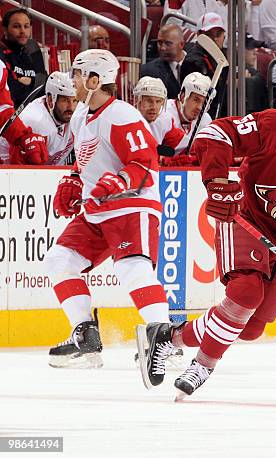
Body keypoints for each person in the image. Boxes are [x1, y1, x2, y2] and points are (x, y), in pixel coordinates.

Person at [136, 90, 276, 397]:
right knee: (245, 293)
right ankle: (203, 366)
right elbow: (214, 133)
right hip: (246, 219)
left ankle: (169, 338)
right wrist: (216, 181)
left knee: (252, 328)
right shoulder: (275, 128)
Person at [45, 49, 172, 369]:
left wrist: (116, 183)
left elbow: (145, 164)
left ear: (94, 80)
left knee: (131, 268)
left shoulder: (122, 115)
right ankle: (85, 335)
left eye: (76, 74)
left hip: (133, 205)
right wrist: (74, 180)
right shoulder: (80, 116)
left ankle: (164, 341)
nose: (71, 80)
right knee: (59, 260)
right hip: (98, 211)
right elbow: (86, 160)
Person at [0, 71, 76, 165]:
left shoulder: (75, 116)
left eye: (75, 100)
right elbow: (20, 170)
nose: (71, 107)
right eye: (65, 100)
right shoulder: (36, 121)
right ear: (50, 99)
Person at [180, 12, 228, 118]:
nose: (215, 38)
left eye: (218, 34)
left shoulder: (224, 55)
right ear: (199, 35)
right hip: (198, 116)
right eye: (210, 35)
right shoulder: (193, 61)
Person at [163, 71, 213, 162]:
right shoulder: (164, 112)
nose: (200, 107)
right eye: (196, 100)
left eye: (204, 102)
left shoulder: (205, 120)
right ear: (183, 96)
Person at [0, 8, 43, 107]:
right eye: (16, 26)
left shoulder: (33, 47)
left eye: (26, 26)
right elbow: (12, 91)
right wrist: (35, 84)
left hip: (37, 111)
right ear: (5, 29)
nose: (23, 31)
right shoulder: (1, 51)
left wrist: (31, 81)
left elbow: (44, 81)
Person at [133, 76, 185, 156]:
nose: (154, 107)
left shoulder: (164, 120)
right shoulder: (127, 121)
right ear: (137, 100)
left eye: (158, 101)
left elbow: (183, 147)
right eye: (149, 101)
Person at [140, 24, 186, 99]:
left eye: (168, 44)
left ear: (181, 44)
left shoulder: (200, 66)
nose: (162, 48)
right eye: (160, 43)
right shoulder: (147, 72)